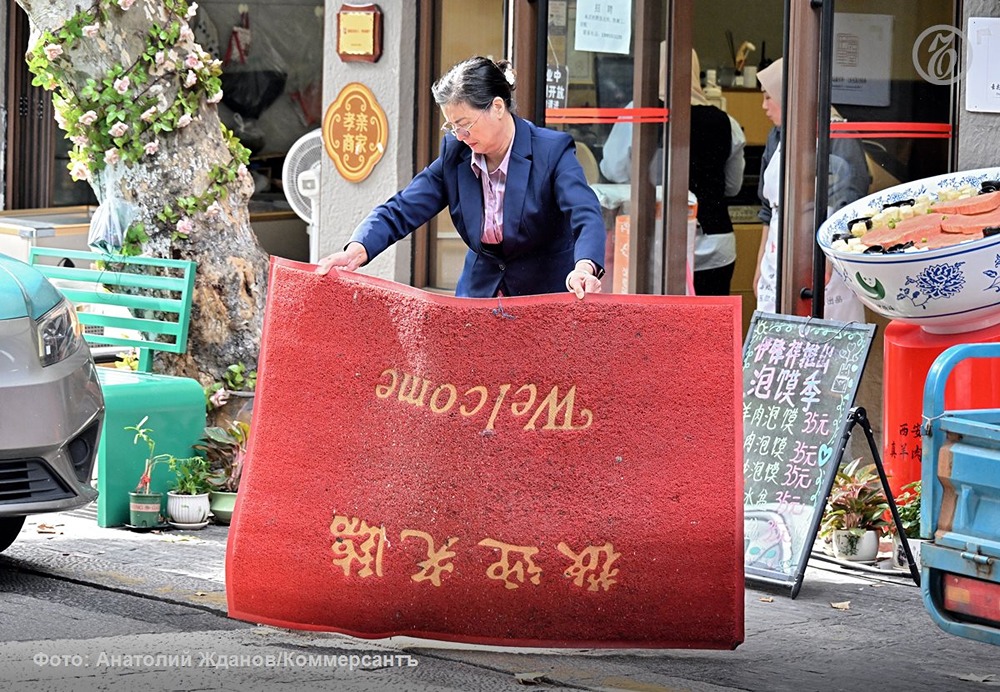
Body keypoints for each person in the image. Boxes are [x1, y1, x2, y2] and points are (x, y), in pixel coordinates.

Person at [317, 56, 606, 299]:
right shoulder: (456, 153)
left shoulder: (550, 151)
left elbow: (585, 213)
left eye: (465, 124)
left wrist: (584, 267)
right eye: (452, 126)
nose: (459, 135)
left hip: (543, 294)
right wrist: (357, 249)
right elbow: (403, 208)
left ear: (497, 107)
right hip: (478, 293)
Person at [599, 49, 746, 296]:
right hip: (715, 244)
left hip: (657, 240)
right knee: (710, 328)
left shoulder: (640, 112)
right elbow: (732, 186)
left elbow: (614, 170)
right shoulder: (726, 122)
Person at [754, 57, 869, 320]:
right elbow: (766, 208)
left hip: (825, 252)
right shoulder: (777, 137)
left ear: (790, 95)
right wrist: (760, 265)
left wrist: (825, 268)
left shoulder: (839, 137)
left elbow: (848, 209)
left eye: (768, 97)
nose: (764, 106)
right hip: (777, 253)